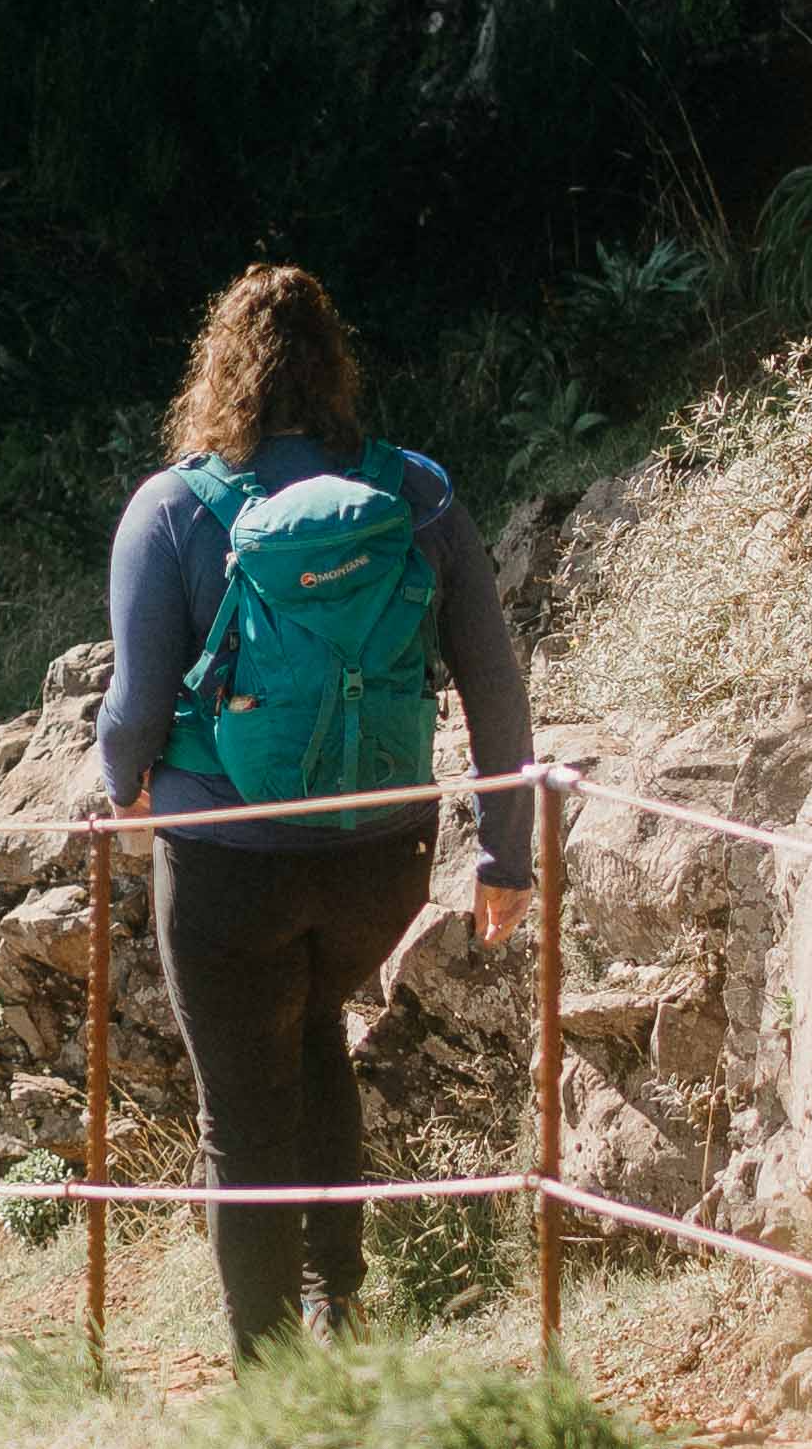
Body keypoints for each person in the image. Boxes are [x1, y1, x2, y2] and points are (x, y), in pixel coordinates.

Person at [96, 258, 535, 1360]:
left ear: (218, 373)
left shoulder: (172, 506)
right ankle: (339, 1302)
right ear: (333, 369)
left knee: (238, 1114)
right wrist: (506, 857)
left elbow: (132, 710)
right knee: (314, 1041)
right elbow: (491, 681)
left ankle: (267, 1377)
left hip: (227, 861)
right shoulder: (416, 492)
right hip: (379, 854)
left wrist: (124, 791)